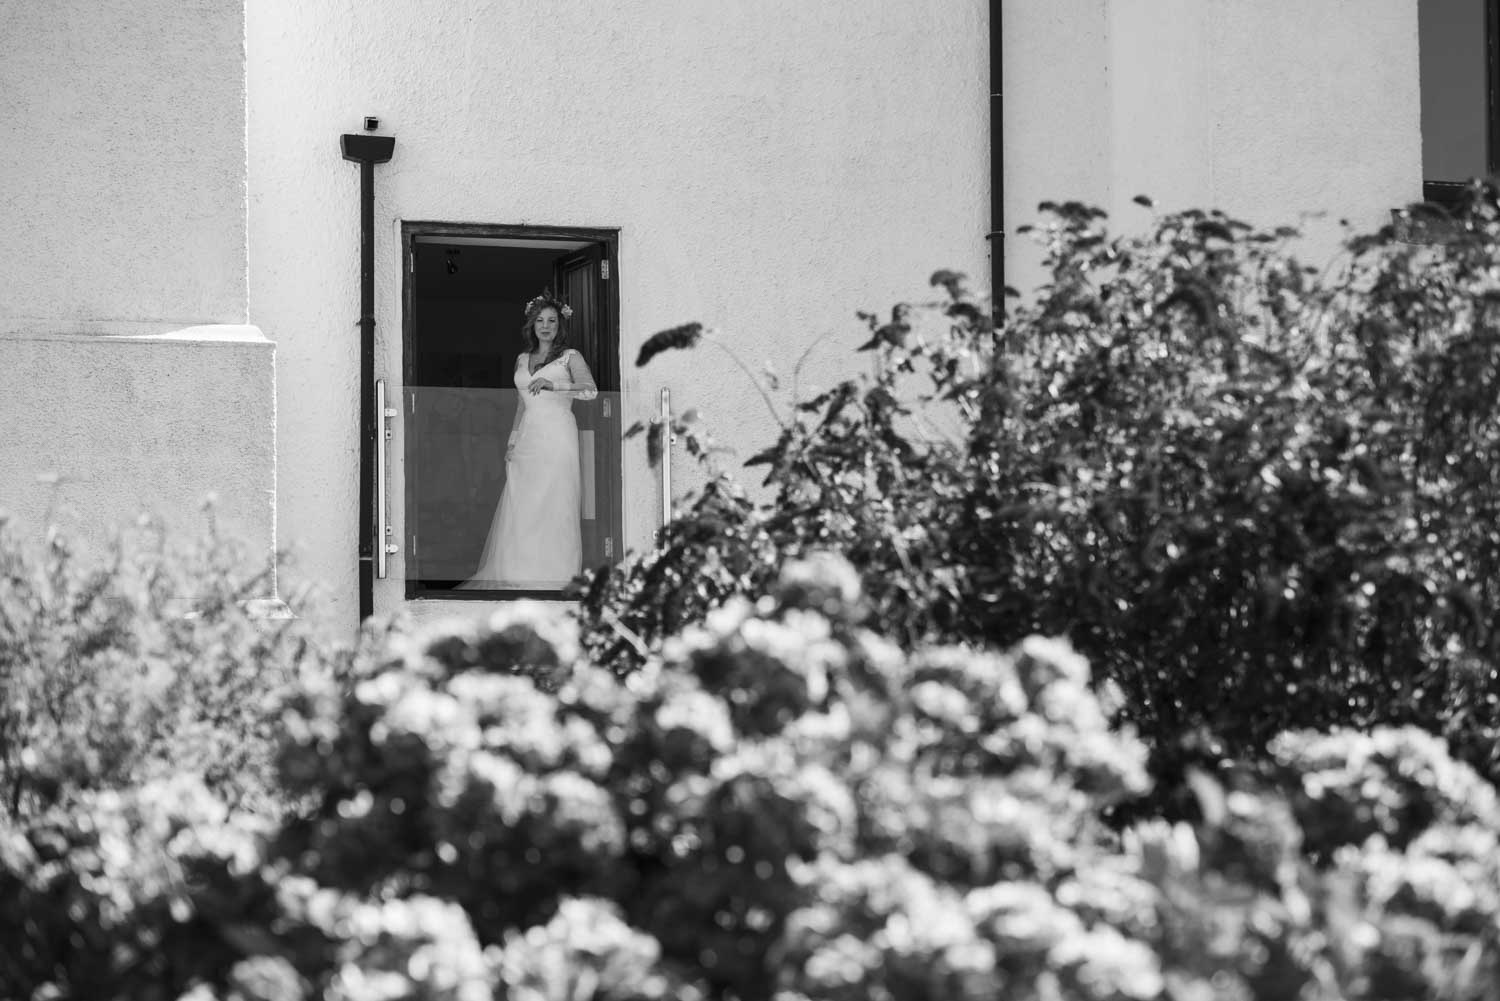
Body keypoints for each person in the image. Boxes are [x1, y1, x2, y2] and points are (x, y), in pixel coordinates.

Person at [461, 291, 597, 590]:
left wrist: (555, 384)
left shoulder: (570, 356)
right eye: (540, 320)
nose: (545, 326)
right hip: (528, 437)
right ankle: (517, 573)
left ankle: (557, 576)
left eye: (551, 320)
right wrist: (512, 441)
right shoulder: (522, 359)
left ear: (560, 325)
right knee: (523, 504)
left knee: (556, 503)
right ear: (532, 325)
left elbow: (590, 390)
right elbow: (522, 404)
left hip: (559, 434)